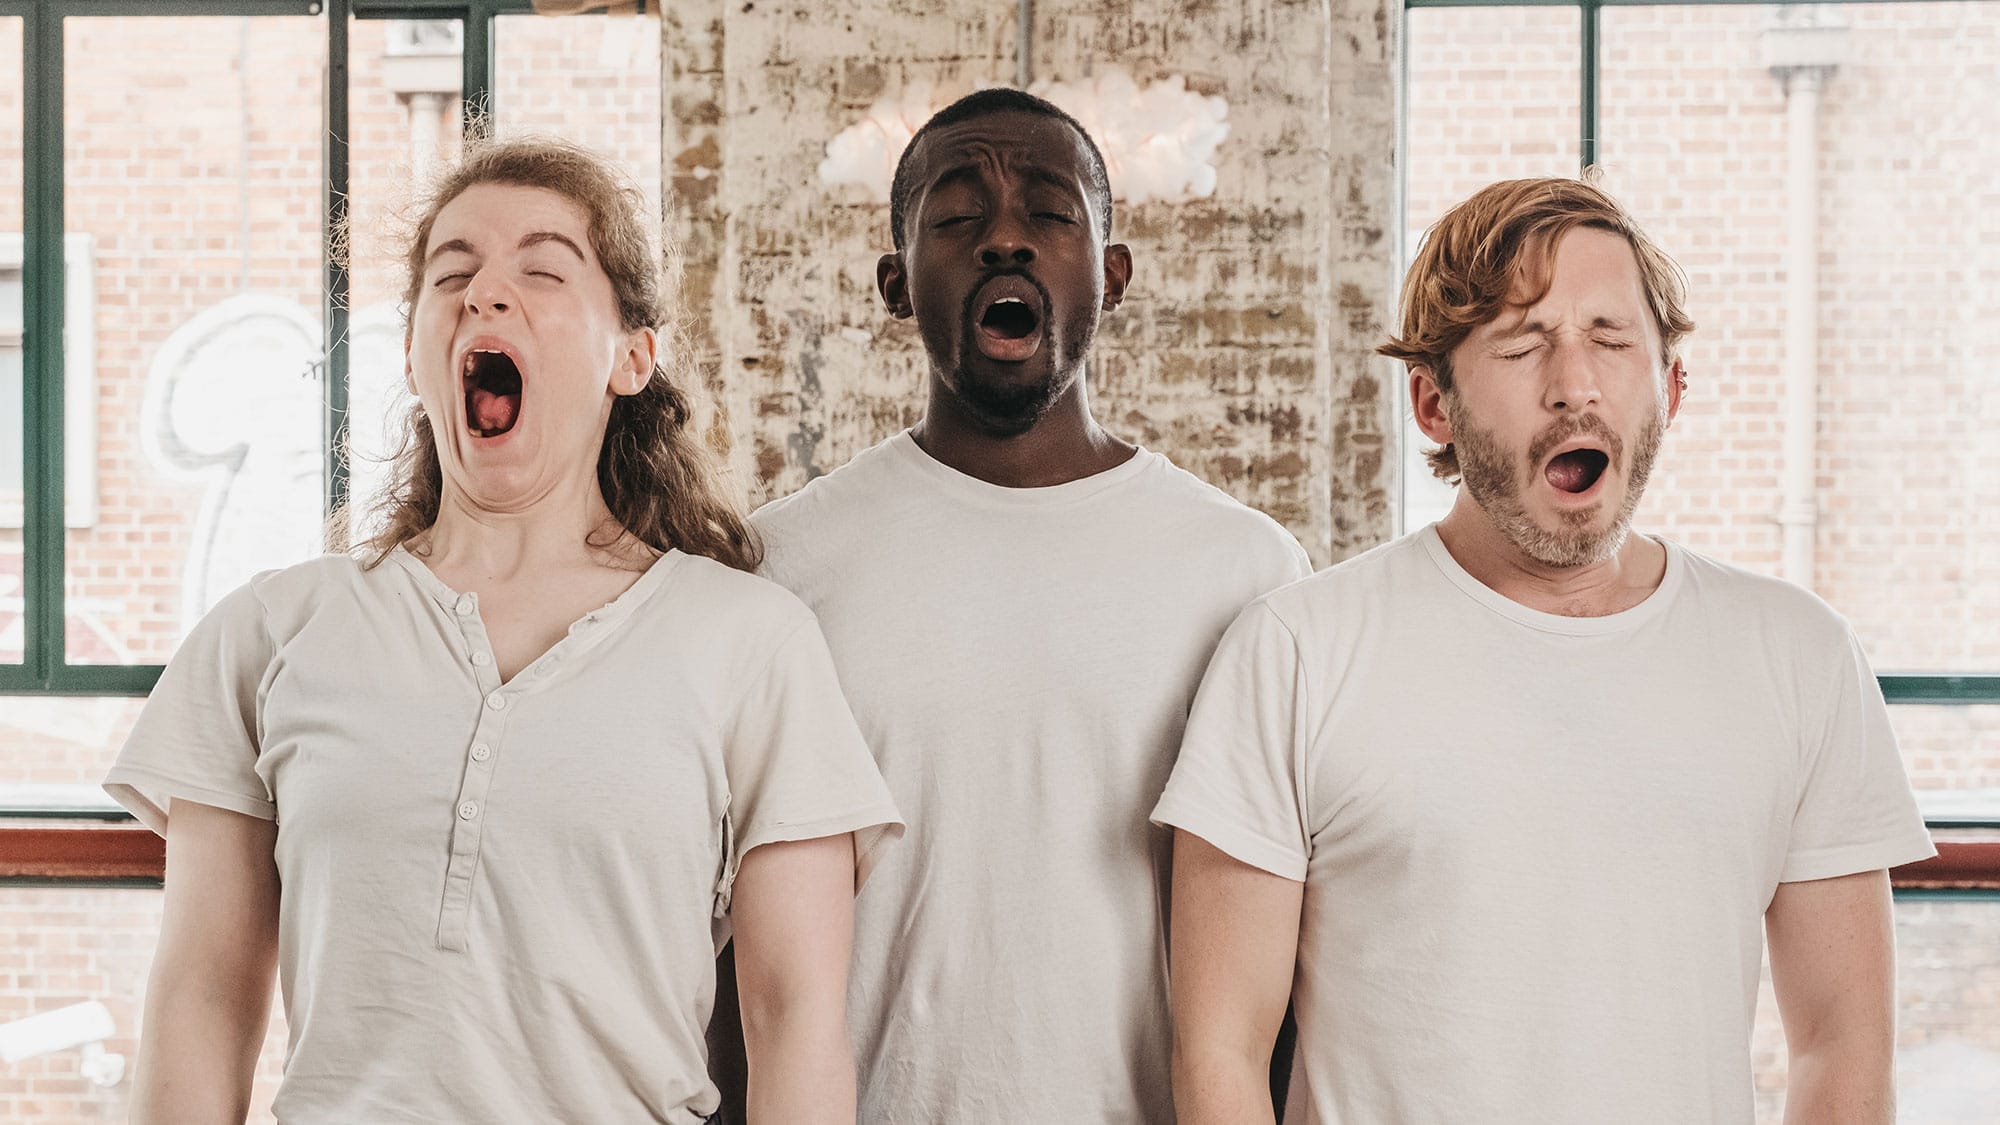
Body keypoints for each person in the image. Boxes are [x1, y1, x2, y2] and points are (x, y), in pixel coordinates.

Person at [106, 136, 900, 1125]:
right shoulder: (269, 633)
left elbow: (795, 1023)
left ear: (632, 356)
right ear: (413, 354)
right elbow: (202, 1001)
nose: (485, 295)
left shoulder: (752, 643)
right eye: (453, 276)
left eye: (542, 271)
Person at [1156, 175, 1936, 1123]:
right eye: (1523, 344)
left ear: (1671, 387)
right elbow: (1222, 1052)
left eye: (1611, 338)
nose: (1575, 383)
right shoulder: (1294, 653)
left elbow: (1841, 1046)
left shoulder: (1801, 657)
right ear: (1433, 403)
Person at [707, 88, 1312, 1123]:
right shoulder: (778, 569)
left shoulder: (1246, 572)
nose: (1003, 239)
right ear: (896, 284)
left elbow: (1289, 959)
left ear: (1113, 276)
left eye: (1049, 211)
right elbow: (731, 957)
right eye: (955, 216)